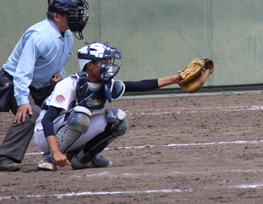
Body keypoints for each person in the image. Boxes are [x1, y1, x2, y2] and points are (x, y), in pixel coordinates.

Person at [34, 42, 181, 171]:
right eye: (103, 61)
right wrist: (55, 151)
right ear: (89, 65)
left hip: (70, 129)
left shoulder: (103, 83)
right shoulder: (69, 84)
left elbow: (139, 86)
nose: (108, 65)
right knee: (81, 116)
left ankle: (83, 159)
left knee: (117, 121)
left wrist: (175, 79)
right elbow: (47, 119)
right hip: (45, 134)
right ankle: (49, 158)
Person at [0, 0, 88, 172]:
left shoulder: (67, 35)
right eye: (72, 14)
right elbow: (22, 72)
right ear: (57, 16)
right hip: (16, 82)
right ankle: (4, 157)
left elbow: (58, 64)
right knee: (30, 113)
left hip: (42, 84)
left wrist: (59, 74)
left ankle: (73, 153)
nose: (77, 17)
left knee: (68, 108)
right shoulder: (39, 35)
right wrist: (22, 101)